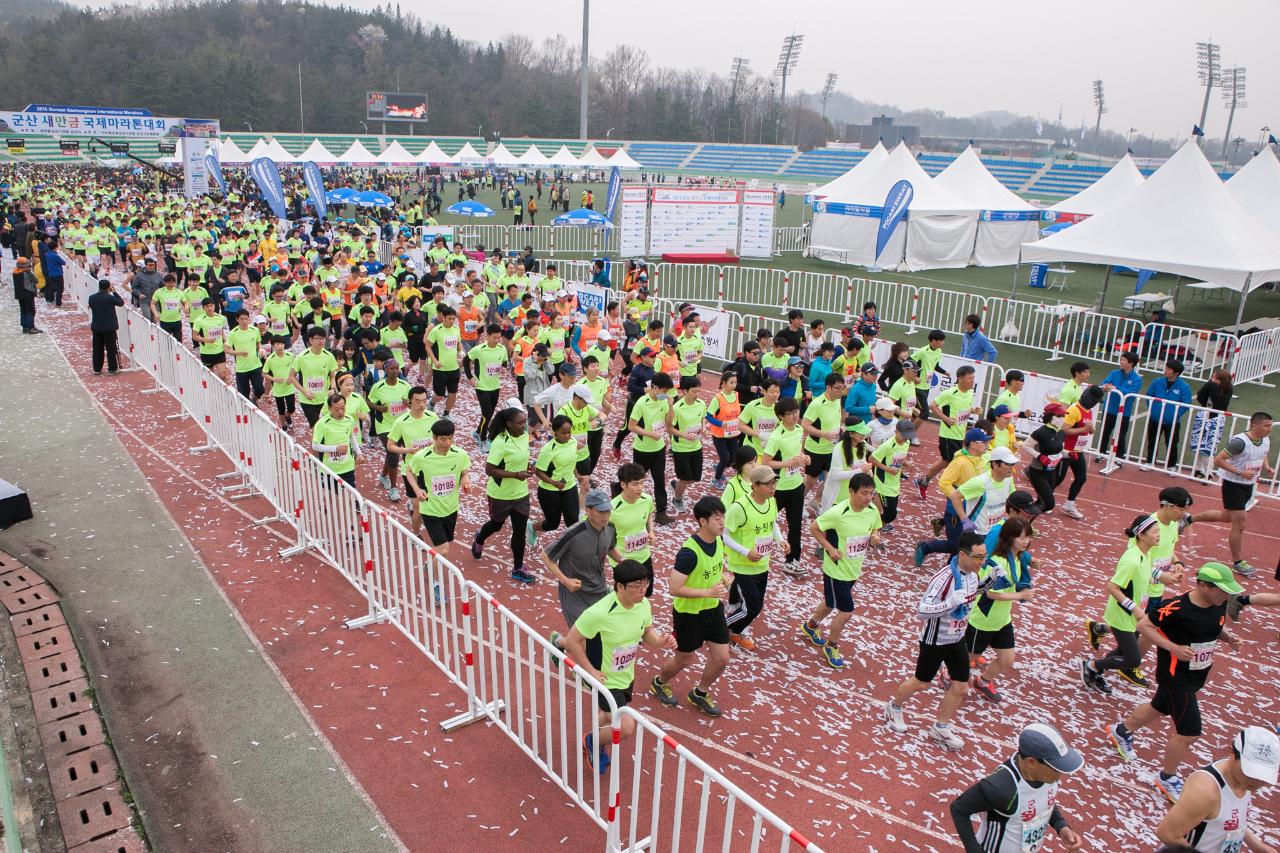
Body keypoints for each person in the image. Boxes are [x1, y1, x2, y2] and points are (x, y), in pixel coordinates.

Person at [1105, 563, 1280, 803]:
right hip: (1175, 677)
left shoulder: (1218, 604)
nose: (1226, 595)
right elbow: (1144, 625)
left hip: (1196, 675)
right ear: (1202, 585)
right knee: (1189, 732)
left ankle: (1121, 731)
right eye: (1221, 590)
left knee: (1159, 707)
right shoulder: (1176, 608)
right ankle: (1167, 778)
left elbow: (1215, 626)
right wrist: (1173, 647)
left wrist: (1228, 638)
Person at [560, 559, 675, 774]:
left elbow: (646, 632)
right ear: (620, 586)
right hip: (603, 678)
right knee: (626, 727)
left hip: (625, 675)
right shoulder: (600, 612)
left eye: (645, 584)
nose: (642, 590)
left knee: (607, 715)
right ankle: (592, 740)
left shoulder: (643, 605)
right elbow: (574, 640)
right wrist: (591, 671)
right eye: (636, 586)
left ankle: (597, 735)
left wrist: (660, 641)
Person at [883, 531, 991, 751]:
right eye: (979, 557)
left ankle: (941, 727)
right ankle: (893, 707)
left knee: (960, 687)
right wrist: (949, 603)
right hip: (935, 640)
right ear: (962, 555)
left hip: (957, 638)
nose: (983, 561)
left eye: (985, 556)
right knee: (922, 682)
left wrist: (990, 582)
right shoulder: (943, 579)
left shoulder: (972, 574)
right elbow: (922, 611)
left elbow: (971, 594)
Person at [1086, 486, 1194, 685]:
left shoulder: (1171, 526)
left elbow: (1170, 549)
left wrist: (1177, 564)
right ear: (1167, 506)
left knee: (1132, 635)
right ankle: (1122, 666)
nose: (1184, 514)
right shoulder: (1145, 529)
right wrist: (1162, 577)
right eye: (1181, 508)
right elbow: (1129, 570)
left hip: (1148, 594)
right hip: (1138, 596)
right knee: (1142, 635)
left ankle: (1101, 641)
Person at [650, 496, 733, 718]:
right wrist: (708, 591)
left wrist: (722, 577)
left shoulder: (718, 540)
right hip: (688, 615)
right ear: (702, 522)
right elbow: (674, 588)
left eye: (723, 516)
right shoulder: (688, 553)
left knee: (722, 658)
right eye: (717, 518)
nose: (722, 521)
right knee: (685, 658)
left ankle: (700, 692)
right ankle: (660, 682)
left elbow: (713, 568)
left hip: (713, 609)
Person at [949, 722, 1085, 853]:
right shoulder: (1000, 788)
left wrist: (1061, 826)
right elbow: (959, 809)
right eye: (1056, 768)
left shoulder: (1047, 776)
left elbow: (1041, 800)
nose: (1060, 774)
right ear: (1032, 762)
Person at [801, 471, 881, 669]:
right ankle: (832, 645)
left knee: (830, 602)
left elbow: (875, 527)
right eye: (864, 493)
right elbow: (814, 527)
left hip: (854, 568)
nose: (868, 497)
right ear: (851, 492)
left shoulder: (872, 510)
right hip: (836, 570)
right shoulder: (839, 512)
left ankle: (810, 626)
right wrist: (829, 548)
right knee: (846, 612)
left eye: (871, 493)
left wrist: (875, 536)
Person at [1154, 726, 1279, 852]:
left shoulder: (1241, 780)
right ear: (1233, 754)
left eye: (1262, 775)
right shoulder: (1206, 791)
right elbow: (1167, 833)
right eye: (1252, 771)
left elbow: (1231, 820)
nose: (1256, 782)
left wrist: (1258, 846)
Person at [1184, 412, 1274, 577]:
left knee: (1226, 516)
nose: (1270, 429)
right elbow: (1218, 460)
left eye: (1271, 426)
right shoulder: (1239, 442)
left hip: (1248, 484)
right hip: (1233, 485)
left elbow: (1263, 452)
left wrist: (1266, 467)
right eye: (1267, 426)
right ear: (1255, 425)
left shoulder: (1265, 439)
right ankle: (1238, 563)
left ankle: (1188, 519)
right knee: (1240, 523)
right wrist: (1240, 472)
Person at [1079, 514, 1160, 696]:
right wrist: (1136, 609)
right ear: (1141, 535)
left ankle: (1098, 670)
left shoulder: (1145, 553)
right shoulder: (1132, 559)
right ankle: (1091, 666)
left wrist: (1164, 577)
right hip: (1123, 615)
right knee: (1133, 659)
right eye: (1155, 532)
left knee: (1122, 650)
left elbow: (1145, 572)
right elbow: (1112, 587)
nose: (1158, 535)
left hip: (1133, 613)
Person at [543, 488, 621, 658]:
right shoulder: (574, 533)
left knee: (603, 637)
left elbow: (611, 547)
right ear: (588, 510)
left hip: (599, 590)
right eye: (601, 511)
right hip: (575, 594)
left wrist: (622, 561)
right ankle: (586, 676)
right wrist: (565, 581)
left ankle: (559, 641)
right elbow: (547, 556)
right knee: (585, 643)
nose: (605, 516)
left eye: (608, 511)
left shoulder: (610, 528)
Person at [966, 517, 1035, 703]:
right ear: (1009, 538)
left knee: (1007, 659)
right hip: (984, 620)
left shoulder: (1017, 558)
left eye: (1028, 537)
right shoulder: (996, 562)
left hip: (1002, 619)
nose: (1026, 541)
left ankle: (983, 681)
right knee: (969, 657)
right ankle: (948, 673)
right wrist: (1020, 596)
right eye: (1021, 537)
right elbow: (991, 594)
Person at [722, 466, 787, 651]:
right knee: (753, 608)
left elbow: (772, 523)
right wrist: (745, 552)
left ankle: (732, 626)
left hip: (762, 563)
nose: (773, 487)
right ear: (755, 485)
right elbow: (725, 535)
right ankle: (726, 629)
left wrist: (781, 540)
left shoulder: (771, 502)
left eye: (774, 483)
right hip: (743, 565)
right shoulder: (739, 508)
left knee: (750, 603)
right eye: (768, 484)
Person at [472, 404, 536, 584]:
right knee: (496, 525)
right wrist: (516, 474)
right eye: (519, 423)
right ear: (508, 424)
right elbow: (489, 469)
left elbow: (521, 457)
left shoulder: (524, 436)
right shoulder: (500, 442)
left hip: (520, 493)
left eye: (525, 422)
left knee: (520, 530)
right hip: (500, 494)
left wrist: (528, 465)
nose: (524, 426)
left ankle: (517, 568)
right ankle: (480, 538)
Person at [405, 418, 471, 552]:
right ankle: (431, 571)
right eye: (443, 439)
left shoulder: (460, 455)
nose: (448, 443)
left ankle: (429, 567)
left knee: (446, 544)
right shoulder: (421, 457)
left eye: (450, 438)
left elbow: (464, 473)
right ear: (434, 438)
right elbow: (409, 472)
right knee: (443, 549)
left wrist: (466, 482)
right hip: (430, 508)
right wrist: (417, 490)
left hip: (451, 507)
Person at [762, 396, 809, 576]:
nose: (795, 416)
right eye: (790, 414)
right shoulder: (776, 437)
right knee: (765, 521)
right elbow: (766, 462)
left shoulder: (799, 429)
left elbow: (799, 450)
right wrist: (788, 463)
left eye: (796, 412)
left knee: (795, 526)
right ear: (781, 416)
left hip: (796, 486)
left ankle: (792, 561)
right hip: (778, 489)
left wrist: (805, 457)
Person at [916, 365, 979, 497]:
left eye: (973, 378)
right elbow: (933, 405)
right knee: (953, 463)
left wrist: (973, 410)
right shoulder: (950, 393)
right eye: (969, 378)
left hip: (961, 435)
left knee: (946, 461)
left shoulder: (969, 393)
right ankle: (953, 490)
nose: (972, 381)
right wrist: (945, 418)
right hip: (948, 435)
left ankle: (924, 480)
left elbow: (963, 409)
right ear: (960, 379)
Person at [628, 371, 675, 525]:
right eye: (663, 391)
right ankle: (624, 498)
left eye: (667, 392)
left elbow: (669, 423)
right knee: (635, 480)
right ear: (654, 387)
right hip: (642, 450)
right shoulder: (641, 403)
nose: (665, 394)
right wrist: (650, 434)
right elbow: (631, 426)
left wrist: (671, 407)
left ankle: (661, 512)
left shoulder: (664, 401)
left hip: (659, 449)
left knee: (659, 480)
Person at [1058, 385, 1105, 520]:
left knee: (1081, 477)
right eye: (1095, 400)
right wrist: (1084, 428)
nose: (1096, 404)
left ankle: (1069, 505)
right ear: (1088, 397)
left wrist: (1089, 430)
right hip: (1067, 450)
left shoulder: (1088, 410)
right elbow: (1065, 430)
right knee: (1058, 478)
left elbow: (1084, 428)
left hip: (1078, 450)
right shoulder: (1073, 410)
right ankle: (1043, 501)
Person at [1097, 352, 1143, 472]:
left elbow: (1130, 393)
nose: (1121, 362)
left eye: (1123, 360)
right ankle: (1101, 453)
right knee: (1105, 431)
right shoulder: (1114, 373)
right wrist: (1106, 386)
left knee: (1121, 434)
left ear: (1131, 363)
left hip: (1124, 412)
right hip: (1109, 409)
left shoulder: (1137, 379)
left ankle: (1119, 457)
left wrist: (1115, 388)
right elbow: (1104, 383)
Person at [668, 375, 707, 513]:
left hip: (696, 446)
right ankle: (677, 499)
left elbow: (703, 417)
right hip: (681, 448)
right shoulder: (677, 408)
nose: (697, 394)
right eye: (694, 391)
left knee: (694, 478)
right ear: (684, 391)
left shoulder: (701, 404)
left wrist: (704, 427)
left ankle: (676, 484)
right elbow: (670, 428)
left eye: (698, 391)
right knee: (686, 478)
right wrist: (684, 435)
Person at [1145, 359, 1194, 468]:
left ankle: (1171, 465)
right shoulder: (1157, 382)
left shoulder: (1184, 386)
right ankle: (1149, 462)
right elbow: (1148, 396)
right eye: (1166, 368)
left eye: (1168, 369)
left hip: (1172, 422)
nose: (1165, 370)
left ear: (1176, 373)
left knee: (1172, 443)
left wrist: (1174, 415)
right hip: (1155, 418)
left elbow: (1186, 403)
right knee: (1152, 441)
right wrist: (1153, 411)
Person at [291, 327, 340, 428]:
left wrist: (333, 388)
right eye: (318, 338)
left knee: (327, 426)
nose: (321, 341)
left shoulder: (329, 356)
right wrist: (304, 391)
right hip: (308, 399)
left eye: (323, 338)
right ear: (311, 340)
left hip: (325, 399)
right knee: (316, 426)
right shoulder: (301, 357)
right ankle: (316, 444)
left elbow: (332, 376)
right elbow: (291, 377)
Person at [1190, 369, 1234, 479]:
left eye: (1216, 378)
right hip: (1203, 415)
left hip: (1216, 418)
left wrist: (1212, 387)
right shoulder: (1210, 385)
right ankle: (1198, 469)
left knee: (1209, 445)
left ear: (1222, 380)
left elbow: (1218, 404)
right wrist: (1208, 385)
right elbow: (1201, 398)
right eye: (1212, 377)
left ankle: (1208, 471)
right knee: (1198, 443)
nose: (1212, 380)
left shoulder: (1227, 389)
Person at [311, 393, 360, 488]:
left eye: (343, 408)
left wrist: (359, 453)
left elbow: (351, 436)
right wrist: (335, 448)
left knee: (351, 490)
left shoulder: (349, 419)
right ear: (329, 409)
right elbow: (315, 446)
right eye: (336, 409)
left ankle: (354, 502)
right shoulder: (322, 423)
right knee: (331, 492)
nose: (340, 412)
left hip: (347, 465)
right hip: (329, 468)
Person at [225, 309, 265, 401]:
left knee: (260, 390)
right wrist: (238, 353)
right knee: (244, 395)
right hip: (242, 368)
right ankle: (247, 411)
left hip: (255, 365)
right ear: (237, 319)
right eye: (242, 319)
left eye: (246, 319)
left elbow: (258, 343)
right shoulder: (233, 333)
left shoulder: (255, 330)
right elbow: (226, 349)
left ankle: (254, 399)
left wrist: (260, 349)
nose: (244, 321)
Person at [87, 278, 124, 375]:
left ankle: (97, 368)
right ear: (108, 288)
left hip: (97, 326)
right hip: (109, 327)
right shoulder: (110, 298)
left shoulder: (92, 297)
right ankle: (112, 368)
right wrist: (114, 292)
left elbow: (91, 306)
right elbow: (121, 302)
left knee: (97, 349)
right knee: (111, 349)